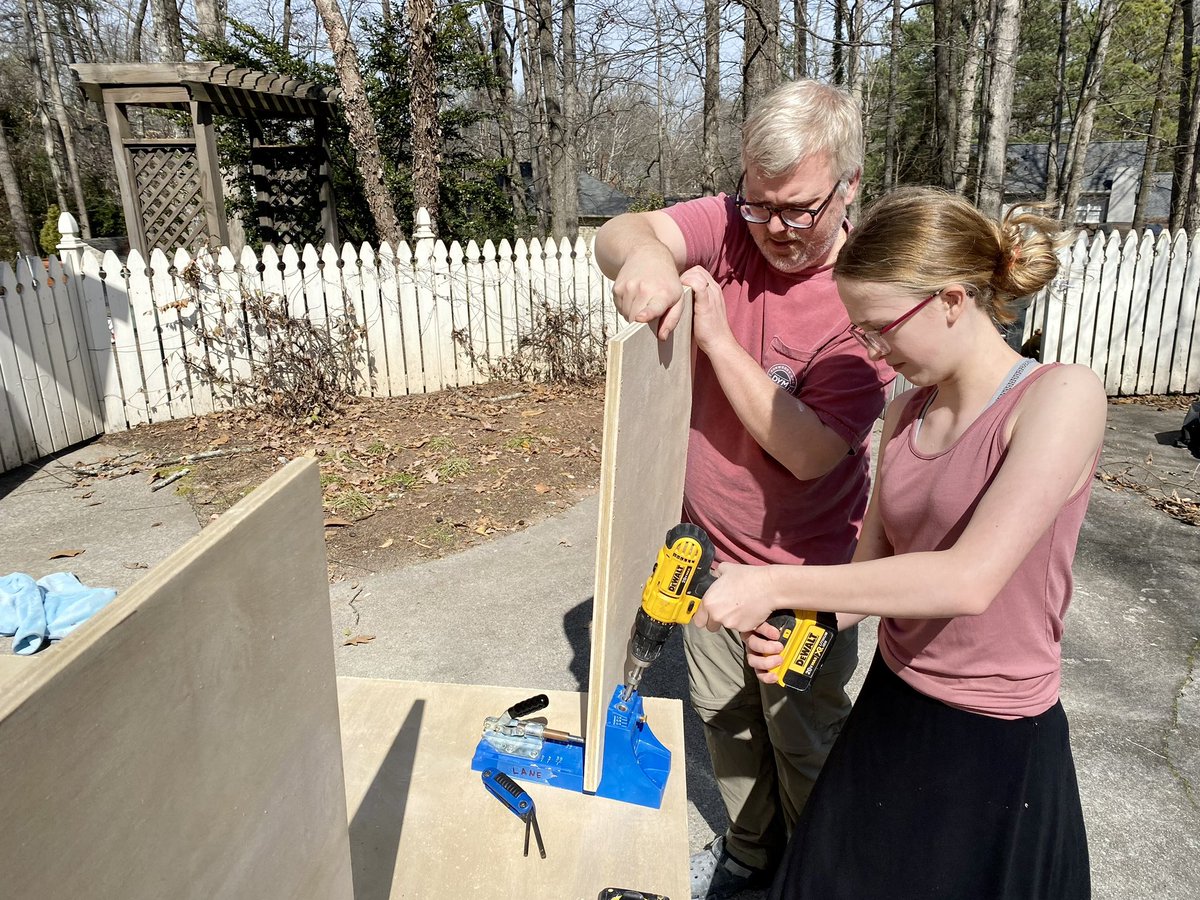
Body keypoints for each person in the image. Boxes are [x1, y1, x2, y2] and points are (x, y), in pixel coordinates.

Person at [694, 187, 1104, 899]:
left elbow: (968, 580)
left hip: (994, 738)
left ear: (950, 299)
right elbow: (869, 574)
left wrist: (777, 584)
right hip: (895, 705)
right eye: (862, 332)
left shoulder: (1059, 398)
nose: (875, 351)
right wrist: (804, 632)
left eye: (883, 327)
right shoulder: (907, 411)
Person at [594, 80, 893, 900]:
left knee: (807, 741)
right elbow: (626, 231)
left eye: (798, 209)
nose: (776, 231)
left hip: (806, 580)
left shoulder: (869, 296)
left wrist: (719, 340)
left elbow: (810, 453)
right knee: (727, 727)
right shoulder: (735, 228)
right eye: (760, 207)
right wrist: (650, 259)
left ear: (850, 186)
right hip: (710, 562)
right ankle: (748, 858)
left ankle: (815, 872)